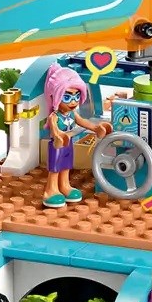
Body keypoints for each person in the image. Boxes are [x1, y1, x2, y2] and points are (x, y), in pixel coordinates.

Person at [40, 63, 111, 209]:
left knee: (66, 166)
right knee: (55, 168)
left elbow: (83, 122)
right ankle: (50, 190)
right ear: (55, 96)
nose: (73, 102)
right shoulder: (55, 116)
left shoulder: (72, 114)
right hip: (57, 145)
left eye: (77, 96)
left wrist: (95, 128)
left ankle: (65, 186)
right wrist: (59, 135)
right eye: (67, 97)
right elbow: (54, 130)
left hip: (69, 143)